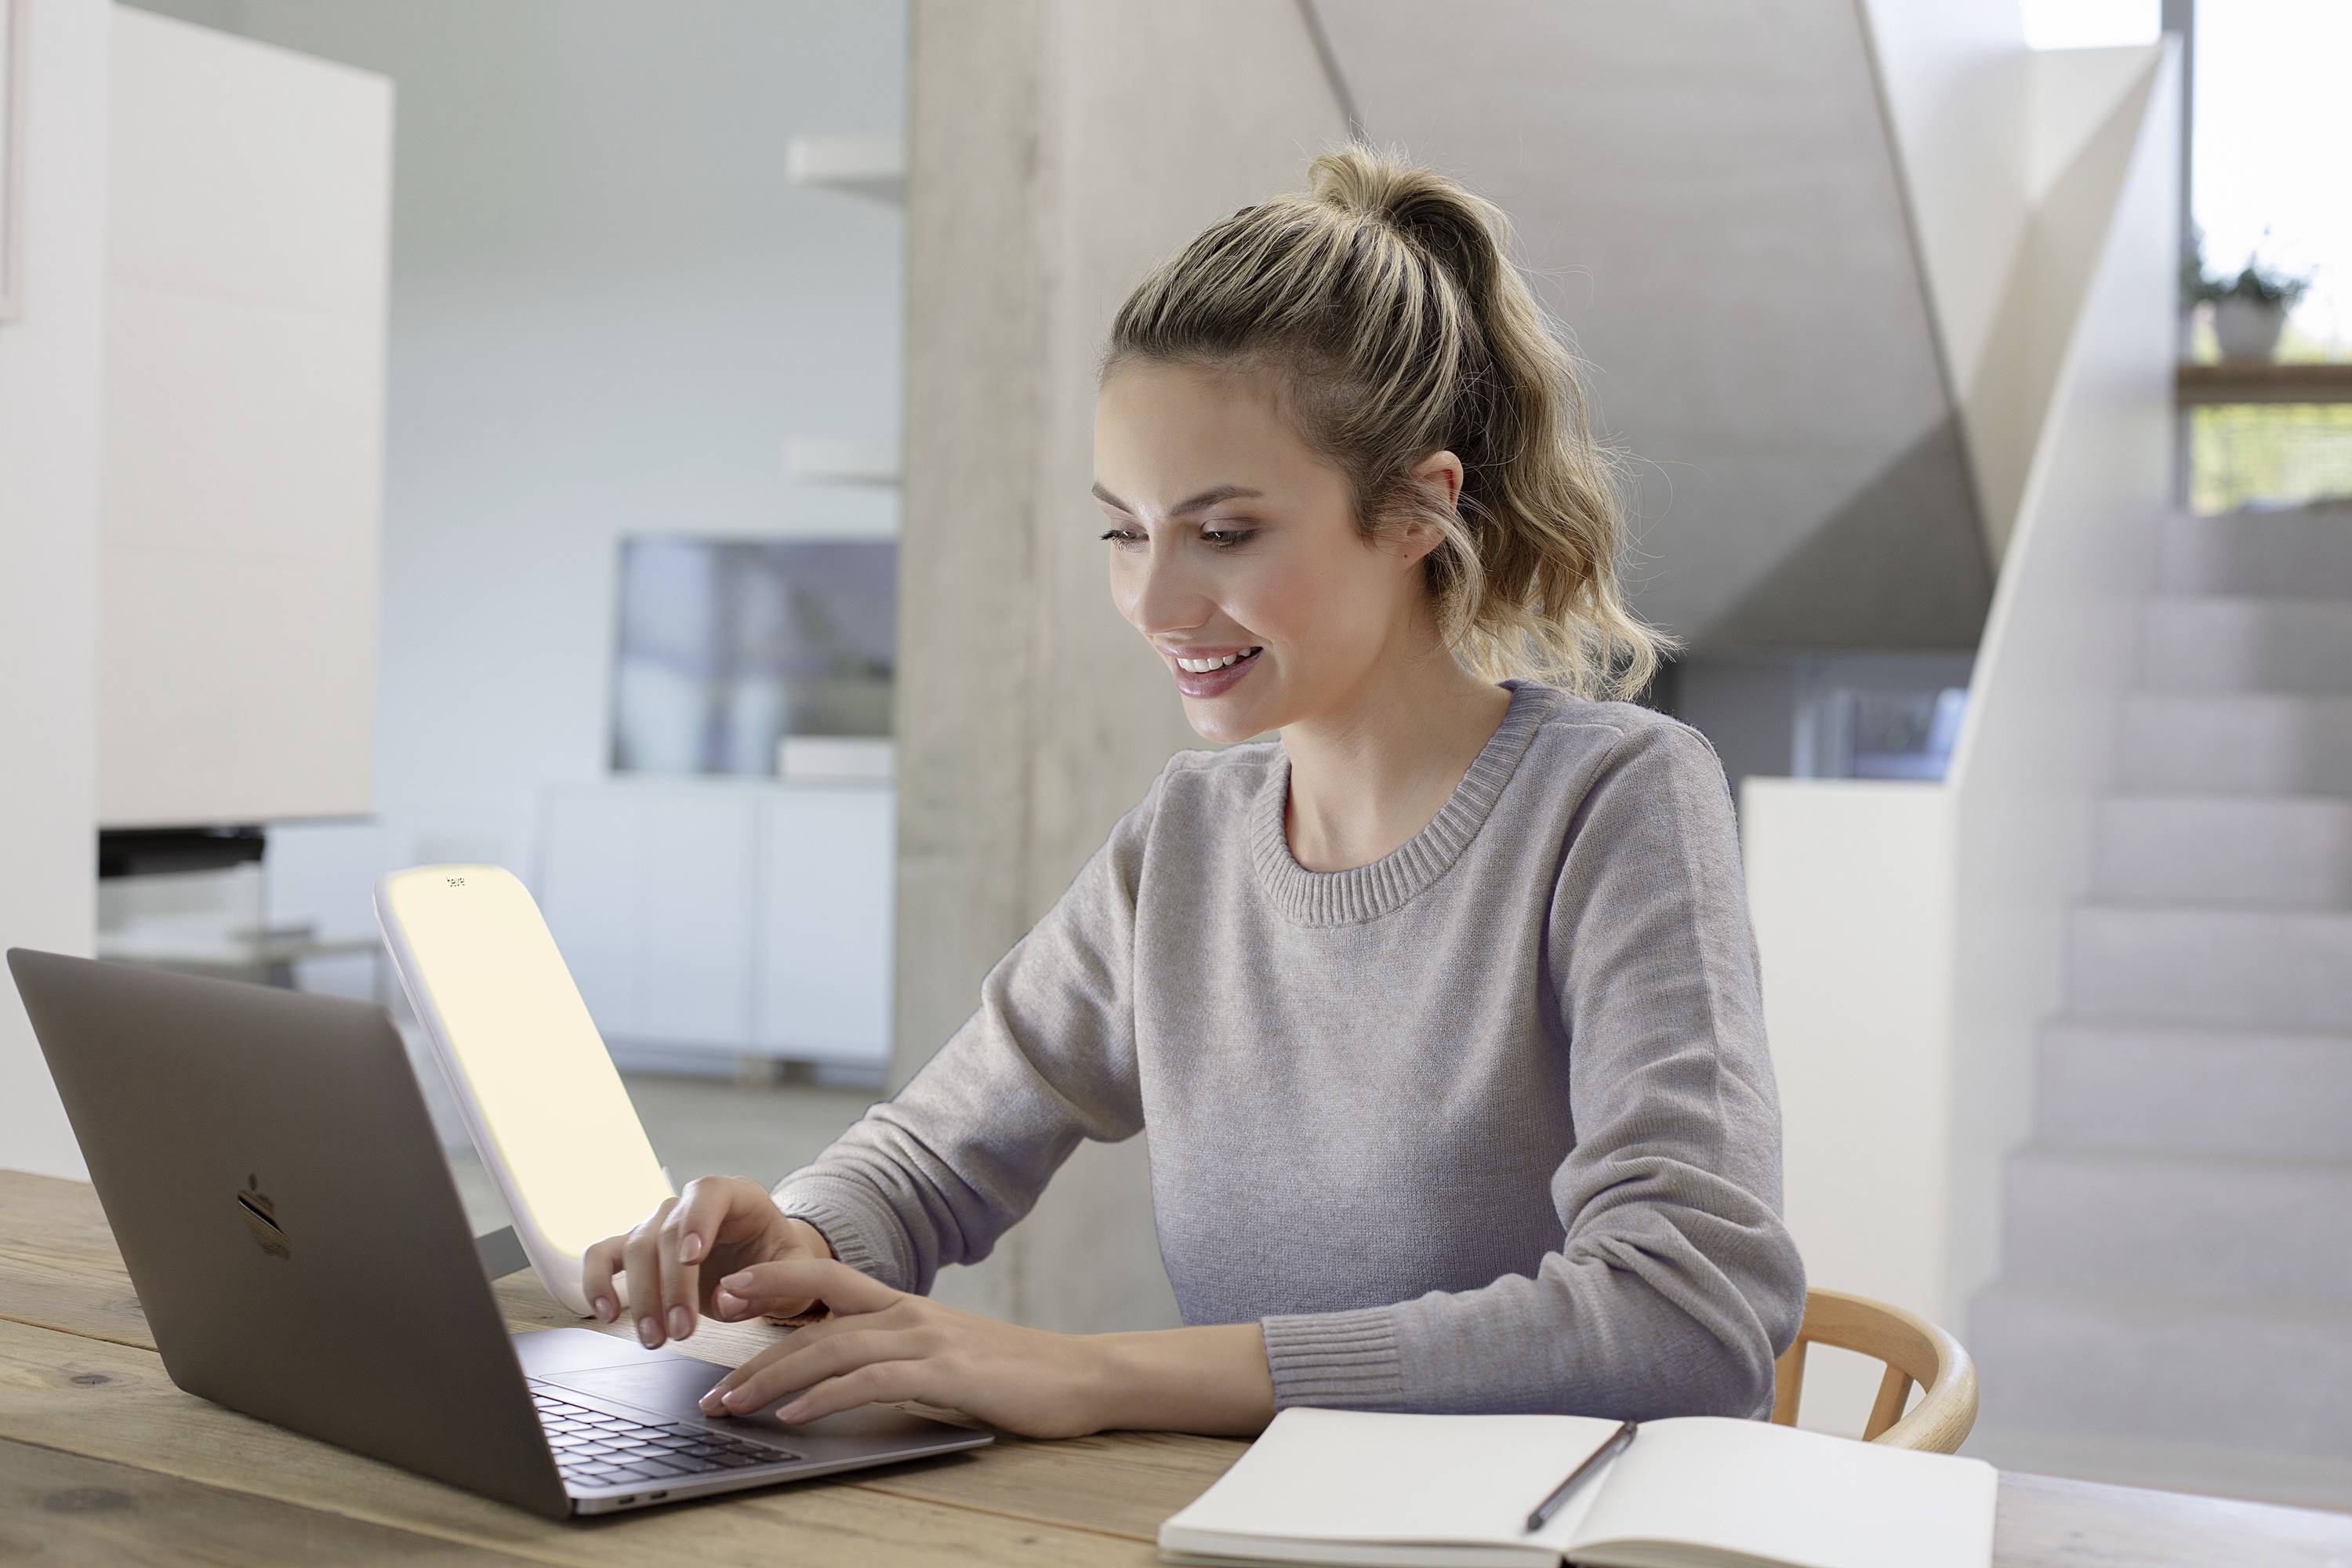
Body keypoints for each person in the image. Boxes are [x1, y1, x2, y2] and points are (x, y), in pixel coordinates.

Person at [582, 140, 1807, 1442]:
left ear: (1413, 512)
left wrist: (1094, 1376)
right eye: (1124, 531)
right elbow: (936, 1155)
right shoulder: (1189, 839)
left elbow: (1687, 1316)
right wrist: (799, 1236)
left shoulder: (1614, 801)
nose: (1155, 604)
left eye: (1224, 534)